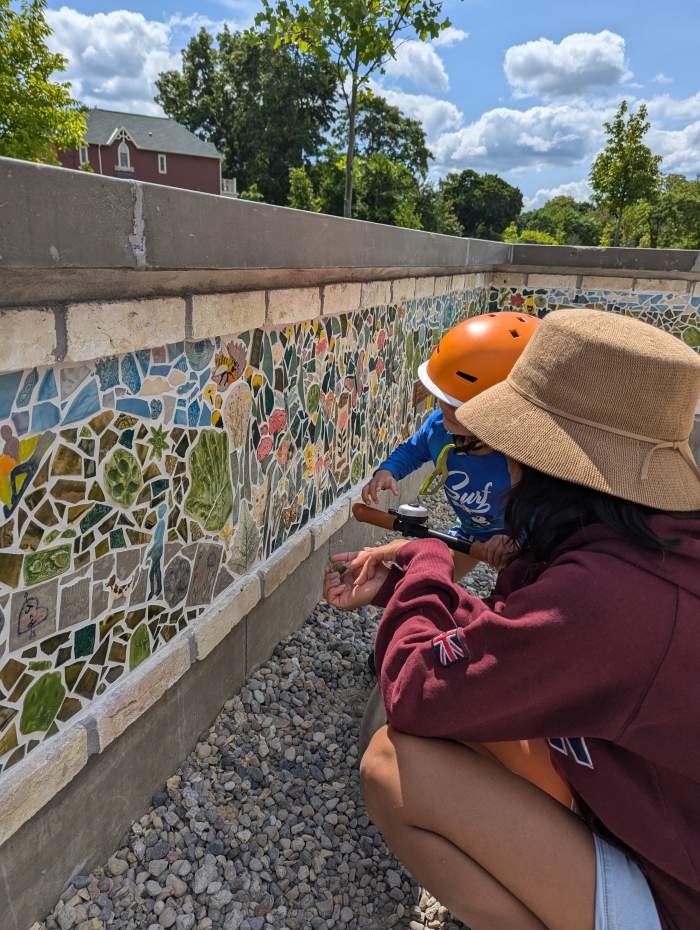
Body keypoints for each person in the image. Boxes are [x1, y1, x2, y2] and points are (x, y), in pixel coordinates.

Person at [325, 308, 700, 930]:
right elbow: (527, 644)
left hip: (674, 896)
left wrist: (426, 559)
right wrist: (419, 584)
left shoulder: (607, 596)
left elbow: (420, 691)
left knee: (395, 765)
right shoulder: (646, 548)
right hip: (659, 818)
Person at [362, 312, 539, 575]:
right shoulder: (439, 428)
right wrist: (388, 471)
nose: (444, 408)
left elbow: (542, 505)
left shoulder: (523, 453)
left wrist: (515, 536)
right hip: (470, 529)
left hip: (521, 540)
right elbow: (413, 450)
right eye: (441, 397)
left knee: (517, 592)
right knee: (440, 577)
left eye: (456, 405)